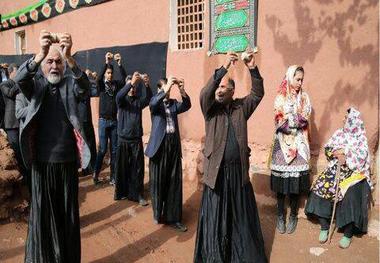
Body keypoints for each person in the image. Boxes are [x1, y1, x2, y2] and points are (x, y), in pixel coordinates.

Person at [15, 30, 91, 263]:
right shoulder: (36, 85)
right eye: (50, 61)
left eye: (58, 62)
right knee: (43, 220)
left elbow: (86, 88)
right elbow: (19, 80)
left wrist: (70, 57)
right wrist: (40, 54)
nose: (54, 66)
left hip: (67, 164)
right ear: (43, 66)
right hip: (41, 164)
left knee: (66, 219)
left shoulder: (71, 83)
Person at [194, 51, 267, 262]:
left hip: (237, 175)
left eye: (223, 86)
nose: (218, 89)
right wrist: (224, 67)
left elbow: (258, 94)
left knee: (239, 219)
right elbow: (204, 93)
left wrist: (252, 68)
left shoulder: (241, 108)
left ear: (233, 90)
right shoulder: (210, 110)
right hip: (216, 175)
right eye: (218, 86)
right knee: (217, 219)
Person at [305, 107, 373, 248]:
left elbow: (361, 159)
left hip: (354, 174)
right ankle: (324, 226)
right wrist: (336, 154)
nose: (343, 119)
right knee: (321, 186)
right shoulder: (339, 133)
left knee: (351, 195)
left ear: (353, 121)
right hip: (336, 169)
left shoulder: (361, 139)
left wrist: (346, 154)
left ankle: (348, 233)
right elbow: (328, 149)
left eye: (346, 118)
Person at [269, 65, 311, 234]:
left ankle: (293, 215)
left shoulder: (305, 98)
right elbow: (279, 120)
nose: (300, 83)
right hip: (282, 144)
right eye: (297, 79)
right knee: (281, 185)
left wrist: (292, 120)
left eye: (302, 79)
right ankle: (280, 215)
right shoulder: (280, 96)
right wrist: (293, 121)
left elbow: (305, 118)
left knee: (295, 183)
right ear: (289, 77)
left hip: (300, 145)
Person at [145, 76, 191, 232]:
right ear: (160, 89)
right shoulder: (155, 103)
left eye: (170, 89)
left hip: (173, 146)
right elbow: (152, 104)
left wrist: (182, 90)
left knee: (174, 182)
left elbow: (186, 105)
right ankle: (158, 213)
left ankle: (174, 217)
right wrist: (166, 88)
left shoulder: (173, 105)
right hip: (159, 147)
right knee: (158, 181)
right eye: (166, 89)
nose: (169, 92)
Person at [114, 72, 152, 205]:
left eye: (134, 87)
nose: (132, 89)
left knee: (137, 168)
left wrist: (146, 85)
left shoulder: (138, 102)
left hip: (136, 140)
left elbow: (148, 99)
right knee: (122, 167)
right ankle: (120, 192)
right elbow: (118, 96)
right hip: (123, 139)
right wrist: (130, 82)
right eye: (130, 86)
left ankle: (138, 194)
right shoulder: (122, 101)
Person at [93, 52, 126, 185]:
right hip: (103, 121)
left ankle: (113, 177)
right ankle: (96, 174)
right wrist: (106, 62)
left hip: (114, 121)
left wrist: (119, 64)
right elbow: (98, 78)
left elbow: (124, 80)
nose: (110, 75)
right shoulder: (101, 85)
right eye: (108, 73)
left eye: (111, 73)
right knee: (102, 149)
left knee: (114, 150)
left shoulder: (116, 85)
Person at [0, 63, 29, 180]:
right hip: (11, 123)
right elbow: (10, 94)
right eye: (17, 72)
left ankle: (27, 177)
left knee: (24, 150)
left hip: (23, 121)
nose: (19, 74)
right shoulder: (4, 84)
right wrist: (18, 80)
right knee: (16, 151)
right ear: (11, 72)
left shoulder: (21, 84)